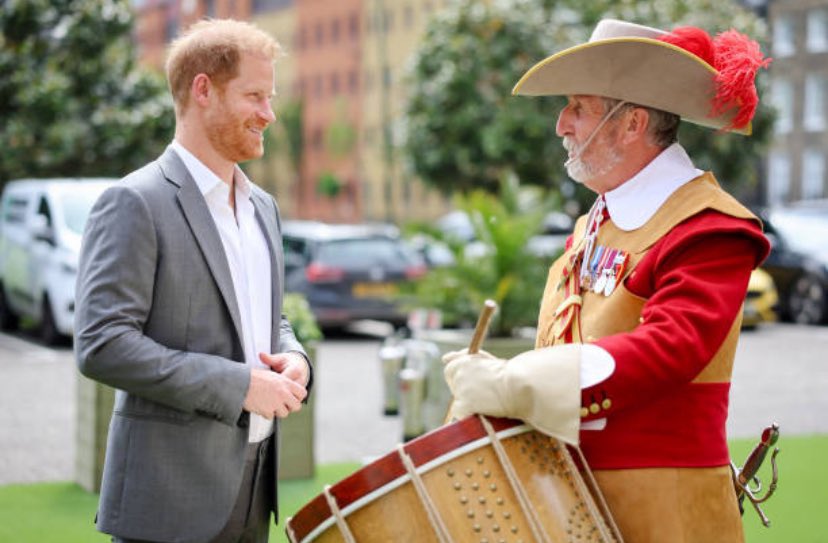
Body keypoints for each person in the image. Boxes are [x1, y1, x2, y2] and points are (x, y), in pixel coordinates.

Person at [443, 19, 771, 543]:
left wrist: (519, 384)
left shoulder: (711, 227)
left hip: (666, 517)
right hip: (571, 508)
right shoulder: (596, 222)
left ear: (632, 122)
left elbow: (672, 347)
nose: (561, 124)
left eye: (578, 105)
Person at [75, 19, 311, 543]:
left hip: (254, 491)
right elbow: (102, 344)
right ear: (203, 90)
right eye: (254, 96)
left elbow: (270, 318)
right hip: (167, 502)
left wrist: (293, 357)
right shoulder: (135, 202)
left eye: (270, 98)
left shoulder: (263, 208)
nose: (269, 114)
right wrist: (241, 385)